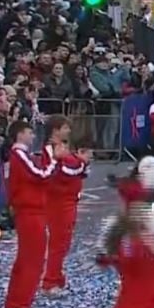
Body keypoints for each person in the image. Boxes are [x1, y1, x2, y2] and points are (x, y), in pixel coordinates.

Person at [2, 121, 61, 308]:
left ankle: (12, 306)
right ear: (20, 134)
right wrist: (53, 159)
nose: (32, 136)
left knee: (24, 260)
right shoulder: (19, 155)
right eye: (29, 132)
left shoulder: (19, 155)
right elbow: (41, 175)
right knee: (32, 261)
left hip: (28, 211)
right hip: (30, 212)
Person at [41, 114, 90, 297]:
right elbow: (65, 170)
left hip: (68, 200)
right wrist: (82, 162)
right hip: (59, 202)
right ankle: (50, 282)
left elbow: (72, 167)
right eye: (65, 128)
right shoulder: (51, 149)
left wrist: (80, 162)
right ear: (56, 130)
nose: (69, 131)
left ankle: (56, 277)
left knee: (64, 242)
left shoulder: (61, 147)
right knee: (58, 243)